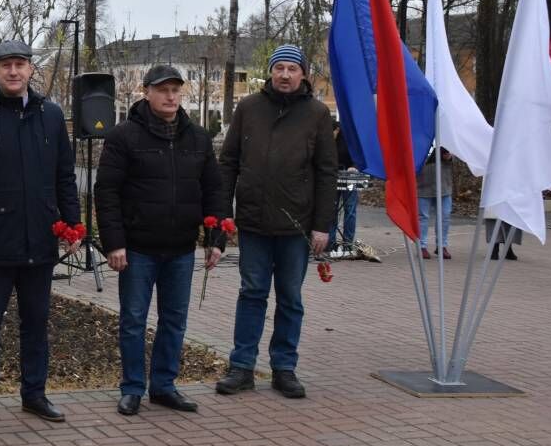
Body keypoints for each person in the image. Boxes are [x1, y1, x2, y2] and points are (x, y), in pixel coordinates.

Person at [0, 40, 80, 428]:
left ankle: (35, 393)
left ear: (30, 70)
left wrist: (72, 224)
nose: (13, 71)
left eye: (20, 65)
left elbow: (64, 177)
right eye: (5, 65)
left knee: (36, 322)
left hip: (40, 238)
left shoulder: (51, 116)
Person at [95, 64, 227, 416]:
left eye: (175, 90)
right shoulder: (123, 136)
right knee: (134, 319)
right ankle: (133, 388)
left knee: (174, 320)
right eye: (163, 90)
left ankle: (164, 386)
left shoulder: (197, 138)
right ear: (147, 92)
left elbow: (214, 189)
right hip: (137, 248)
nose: (170, 96)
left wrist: (216, 238)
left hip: (181, 248)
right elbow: (106, 192)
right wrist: (114, 243)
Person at [215, 44, 337, 400]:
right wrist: (224, 214)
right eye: (279, 68)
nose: (285, 75)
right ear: (270, 71)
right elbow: (229, 163)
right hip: (253, 222)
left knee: (290, 298)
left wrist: (322, 224)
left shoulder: (316, 114)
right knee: (251, 293)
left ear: (303, 74)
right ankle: (242, 367)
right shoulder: (249, 108)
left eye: (292, 69)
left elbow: (327, 172)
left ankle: (284, 367)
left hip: (296, 226)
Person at [417, 146, 454, 260]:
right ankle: (421, 246)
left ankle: (442, 246)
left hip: (444, 187)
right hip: (423, 187)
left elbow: (454, 157)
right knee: (423, 217)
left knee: (445, 216)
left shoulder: (445, 136)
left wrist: (449, 157)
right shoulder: (418, 139)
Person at [328, 120, 358, 255]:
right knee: (331, 210)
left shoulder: (348, 135)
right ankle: (330, 243)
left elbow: (358, 153)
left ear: (337, 130)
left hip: (350, 175)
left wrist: (355, 166)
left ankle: (348, 244)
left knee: (350, 209)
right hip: (332, 176)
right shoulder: (326, 140)